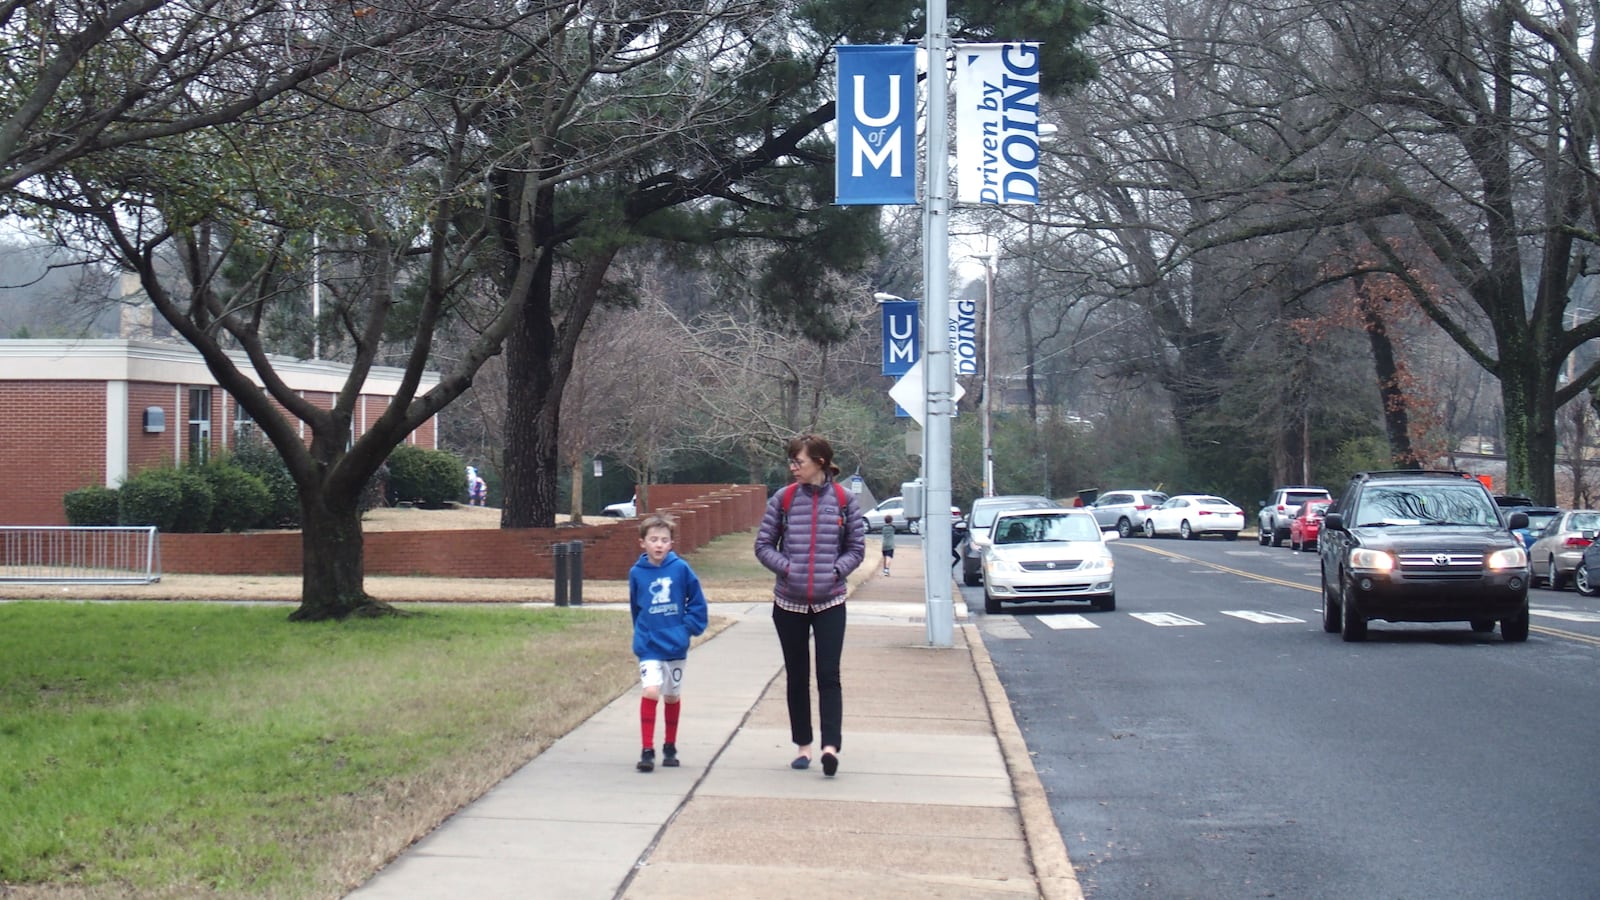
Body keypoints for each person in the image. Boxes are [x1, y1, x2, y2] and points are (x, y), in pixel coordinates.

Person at [753, 433, 866, 777]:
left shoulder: (845, 500)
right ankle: (803, 746)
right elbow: (763, 545)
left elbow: (856, 549)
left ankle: (830, 747)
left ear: (819, 461)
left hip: (831, 601)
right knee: (797, 675)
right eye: (791, 462)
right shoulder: (783, 499)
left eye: (798, 461)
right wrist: (788, 568)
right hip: (789, 603)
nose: (793, 468)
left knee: (829, 675)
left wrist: (836, 570)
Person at [629, 513, 709, 773]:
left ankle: (670, 745)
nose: (659, 544)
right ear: (643, 543)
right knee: (651, 691)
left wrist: (687, 629)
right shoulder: (636, 573)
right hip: (649, 645)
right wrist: (641, 634)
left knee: (671, 696)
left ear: (672, 543)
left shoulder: (681, 569)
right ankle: (647, 749)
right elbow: (636, 607)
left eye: (664, 540)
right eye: (653, 539)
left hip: (675, 645)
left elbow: (696, 602)